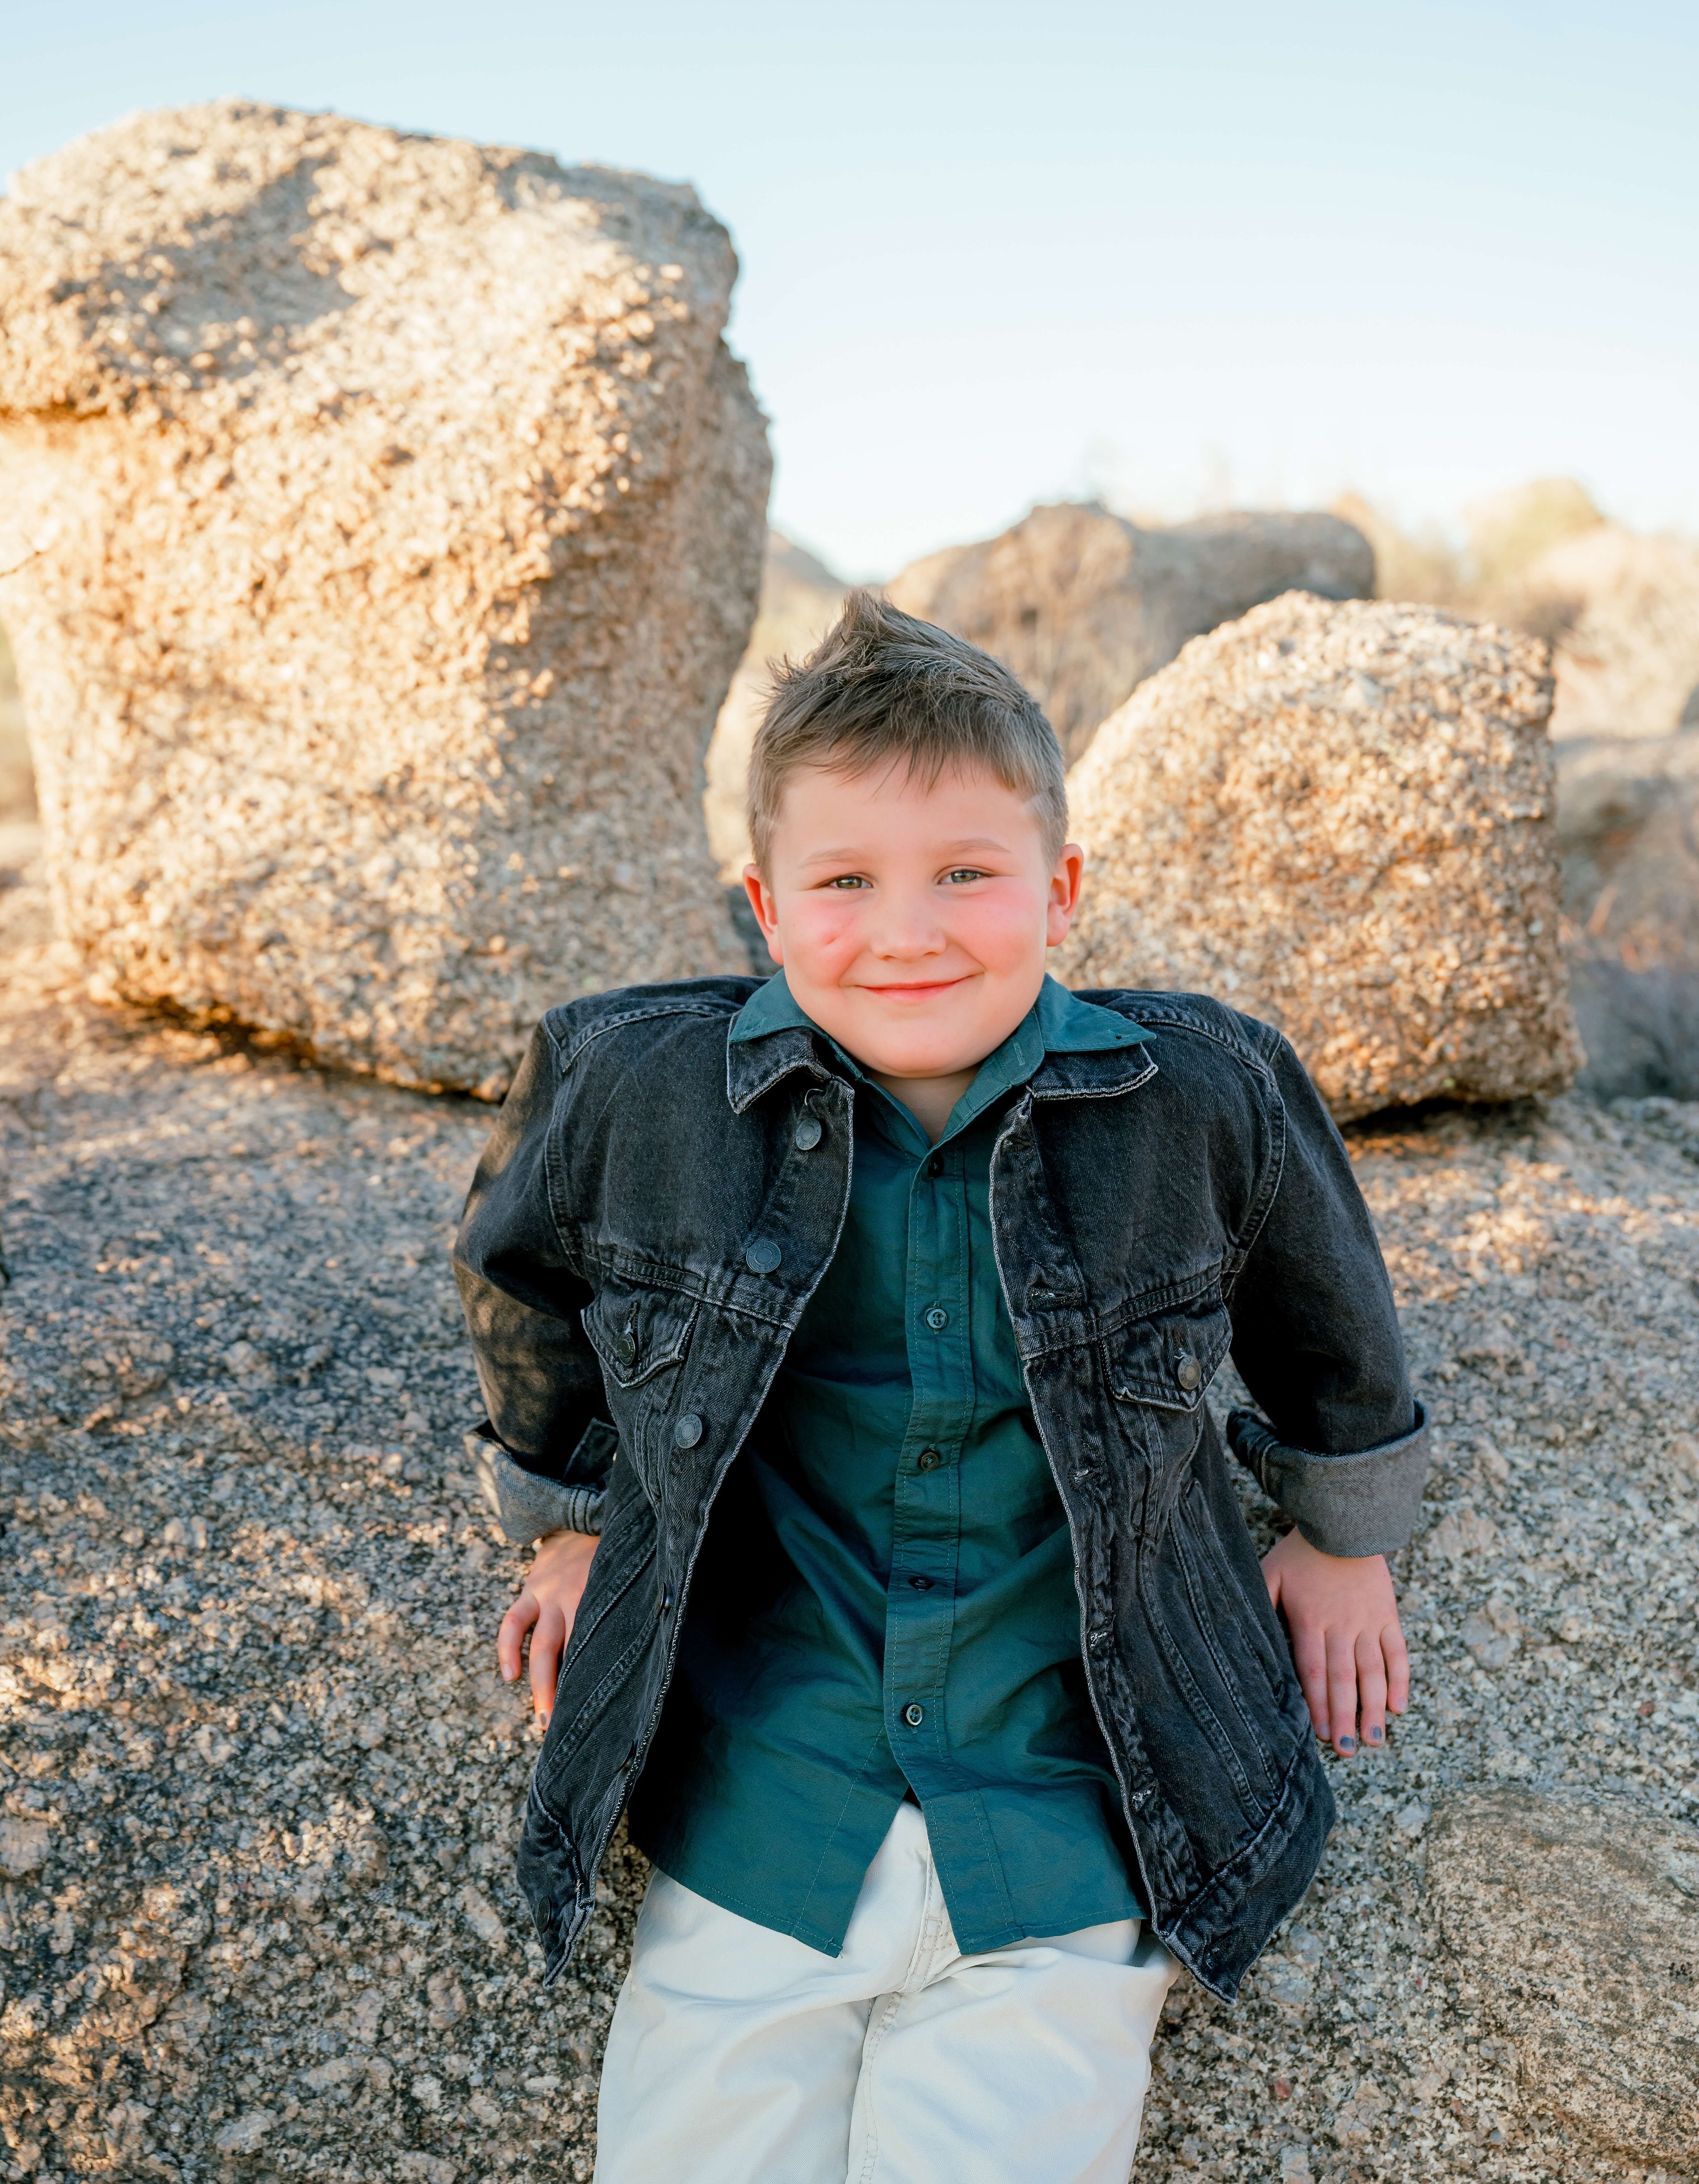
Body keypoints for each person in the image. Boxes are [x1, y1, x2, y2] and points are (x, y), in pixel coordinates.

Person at [454, 593, 1428, 2184]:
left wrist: (1341, 1533)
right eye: (846, 883)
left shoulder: (1200, 1090)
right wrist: (566, 1520)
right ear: (767, 906)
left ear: (1062, 887)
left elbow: (1329, 1306)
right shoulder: (632, 1082)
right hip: (766, 1806)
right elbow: (518, 1272)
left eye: (966, 875)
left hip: (1061, 1823)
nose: (908, 931)